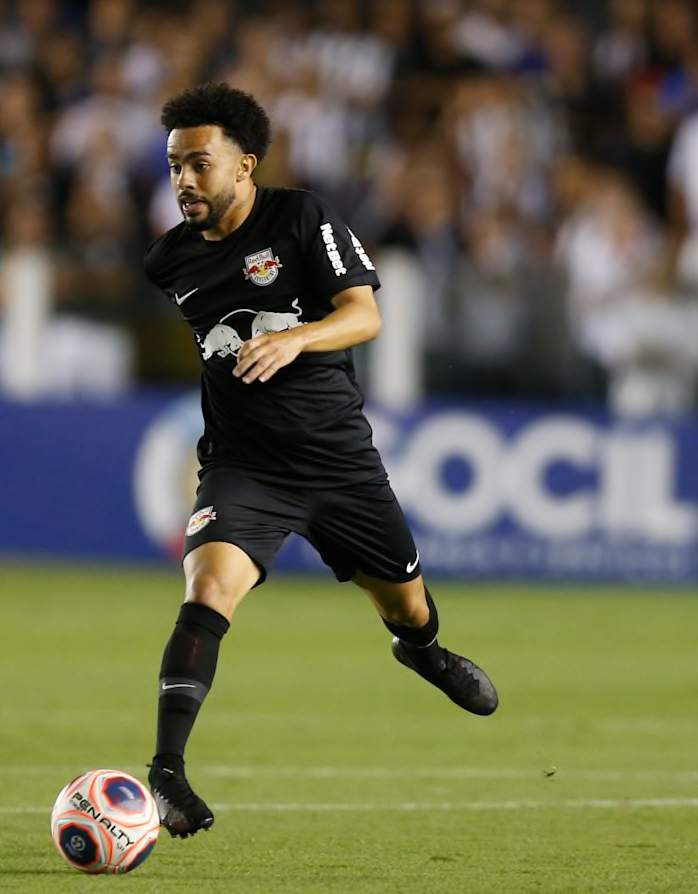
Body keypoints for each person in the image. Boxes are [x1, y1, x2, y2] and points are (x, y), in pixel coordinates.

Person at [141, 82, 498, 839]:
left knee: (407, 606)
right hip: (245, 468)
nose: (183, 181)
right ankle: (166, 771)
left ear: (246, 165)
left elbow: (365, 313)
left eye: (199, 164)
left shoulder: (301, 217)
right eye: (174, 165)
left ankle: (424, 653)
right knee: (207, 588)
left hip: (339, 465)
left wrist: (294, 338)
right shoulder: (168, 261)